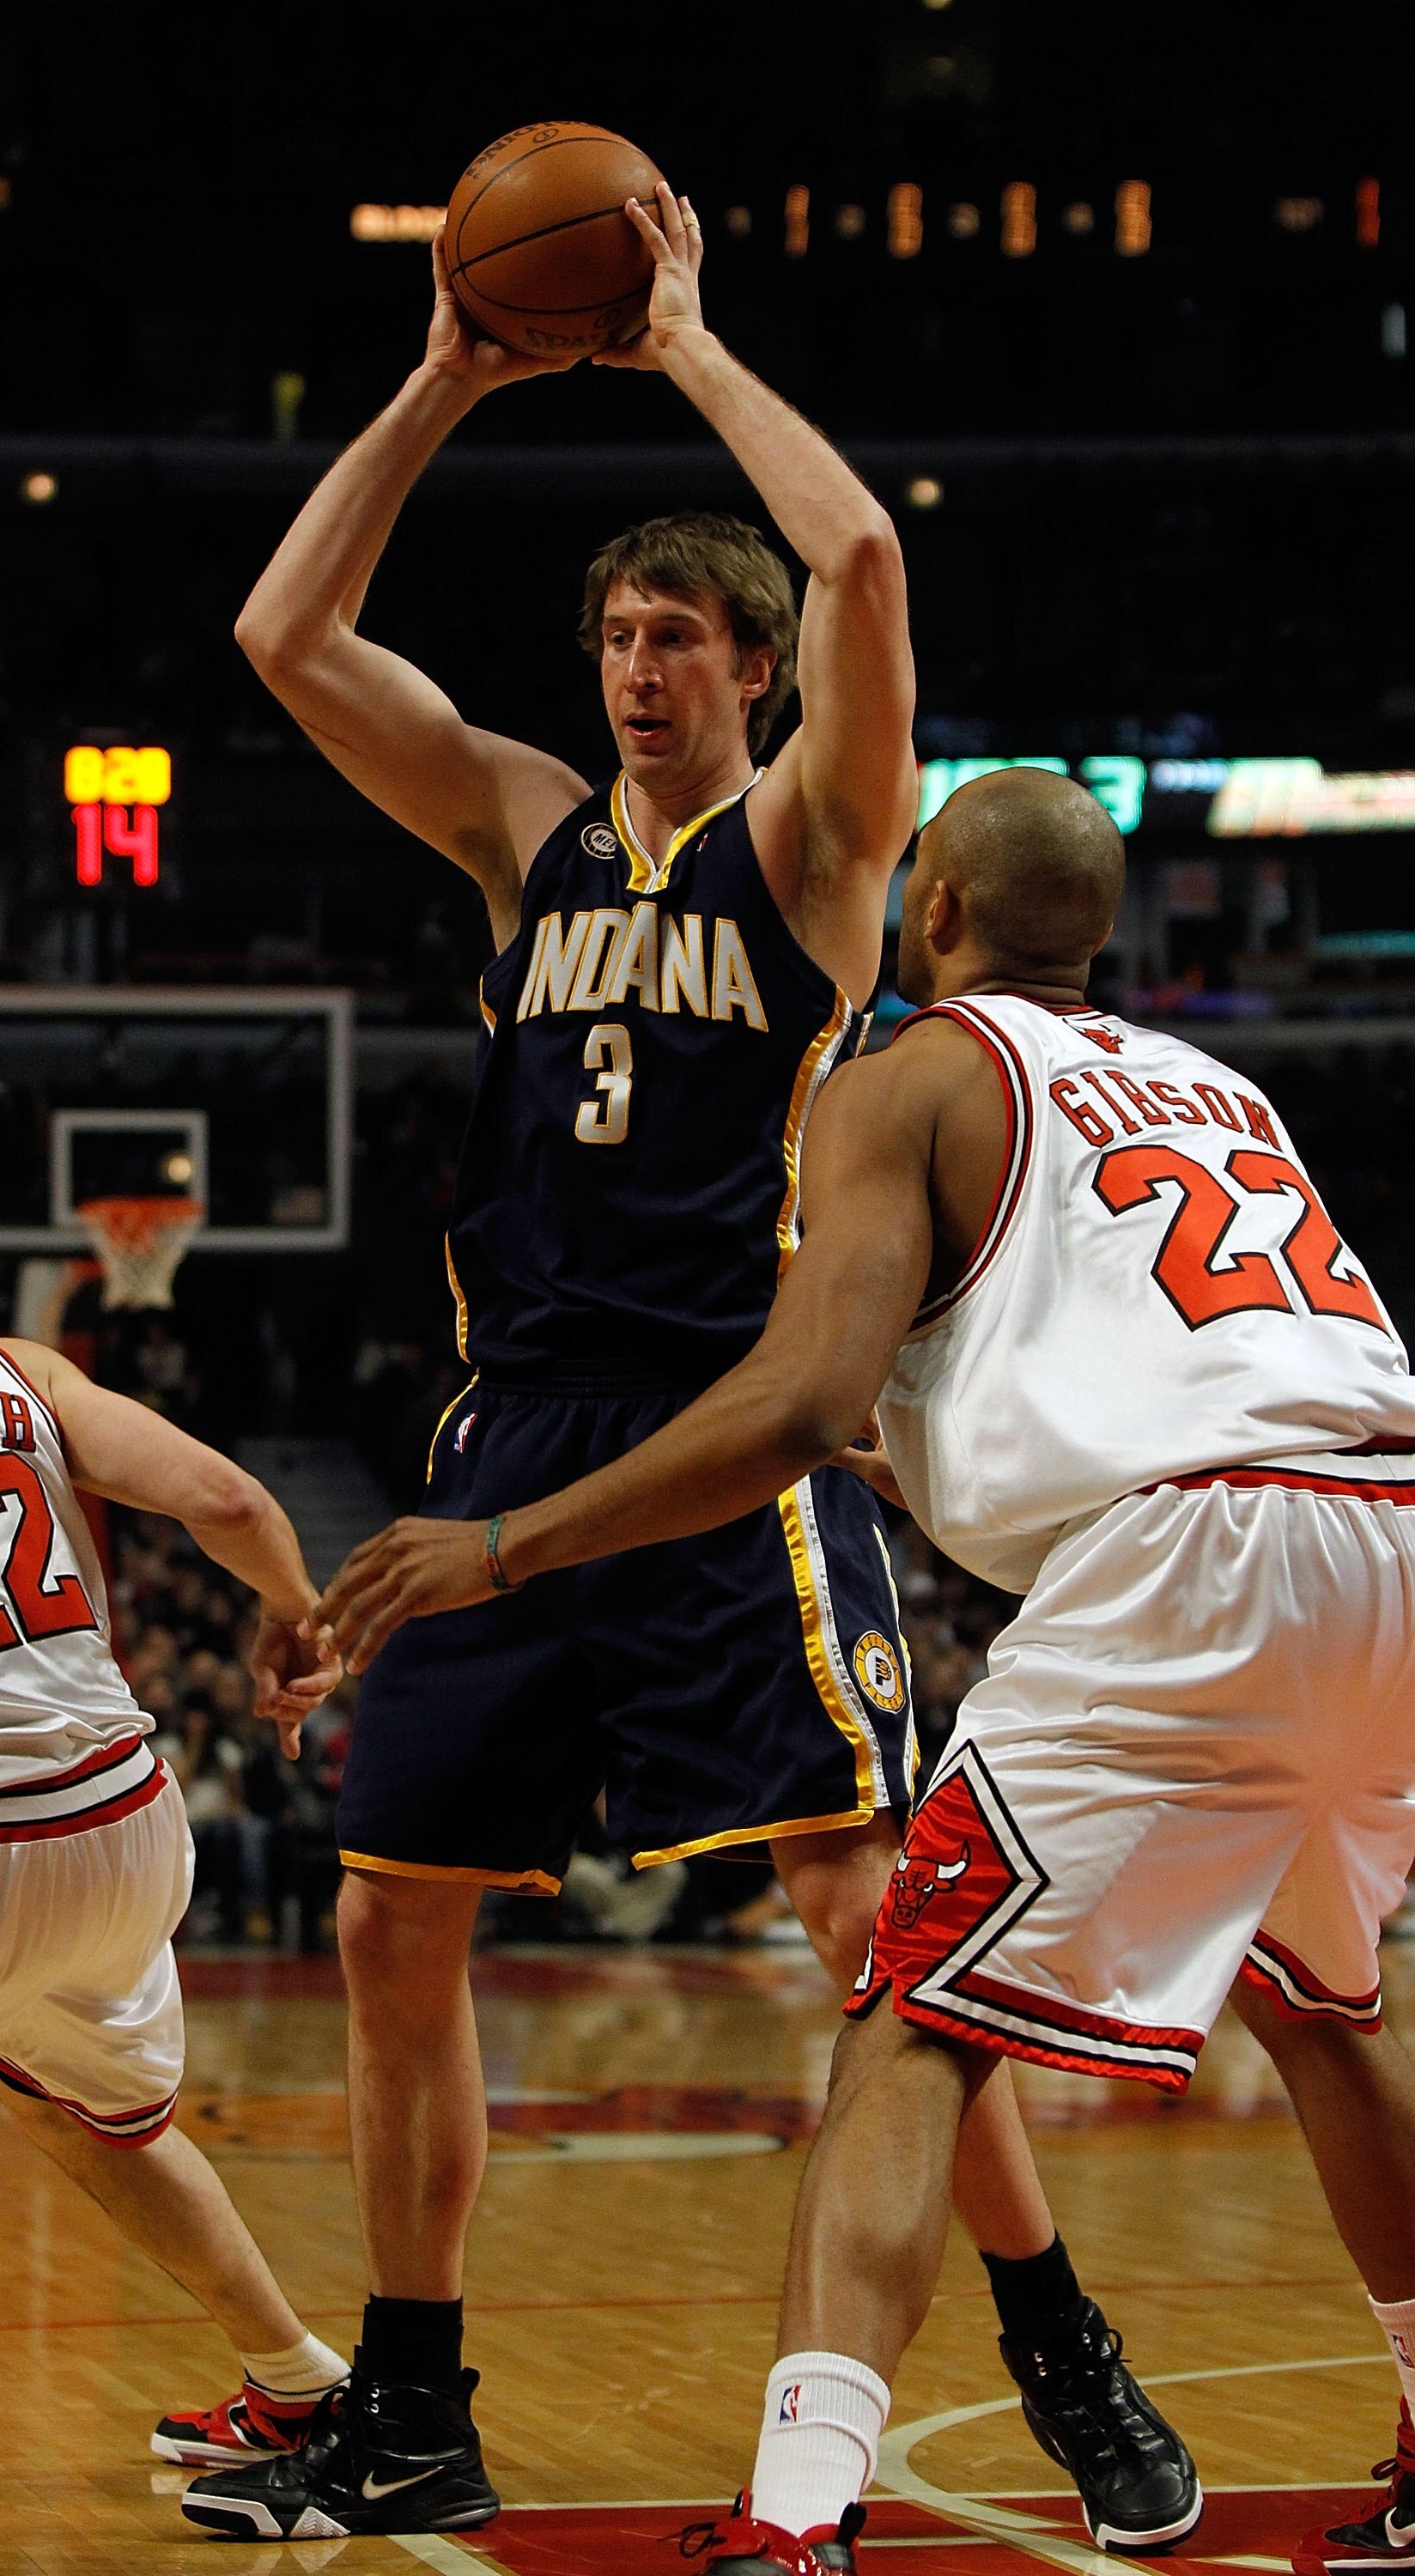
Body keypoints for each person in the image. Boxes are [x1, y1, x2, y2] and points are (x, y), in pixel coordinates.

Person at [179, 185, 1194, 2548]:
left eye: (674, 637)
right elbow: (280, 629)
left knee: (868, 1935)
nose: (636, 667)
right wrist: (450, 369)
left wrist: (681, 342)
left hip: (733, 1446)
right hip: (508, 1437)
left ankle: (1067, 2353)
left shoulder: (819, 848)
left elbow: (860, 572)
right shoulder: (526, 836)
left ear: (744, 672)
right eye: (617, 632)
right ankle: (412, 2400)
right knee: (379, 1916)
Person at [319, 765, 1415, 2576]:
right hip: (1380, 1532)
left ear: (934, 915)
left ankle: (795, 2518)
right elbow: (1020, 1383)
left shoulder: (904, 1073)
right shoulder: (1223, 1086)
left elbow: (807, 1402)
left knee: (912, 2030)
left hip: (1189, 1557)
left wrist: (506, 1543)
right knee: (1320, 2008)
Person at [0, 1157, 352, 2479]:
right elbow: (227, 1502)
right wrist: (294, 1618)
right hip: (125, 1830)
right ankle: (298, 2380)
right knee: (79, 2108)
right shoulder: (4, 1364)